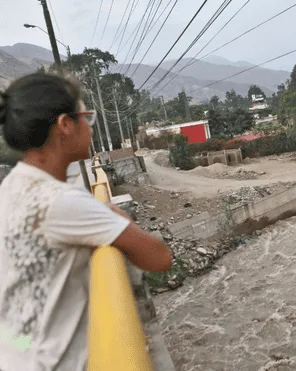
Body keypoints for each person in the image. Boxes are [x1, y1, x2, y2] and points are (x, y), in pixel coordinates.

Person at [0, 73, 173, 371]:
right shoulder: (59, 201)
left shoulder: (11, 188)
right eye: (86, 118)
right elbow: (159, 257)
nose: (90, 130)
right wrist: (116, 215)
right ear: (65, 125)